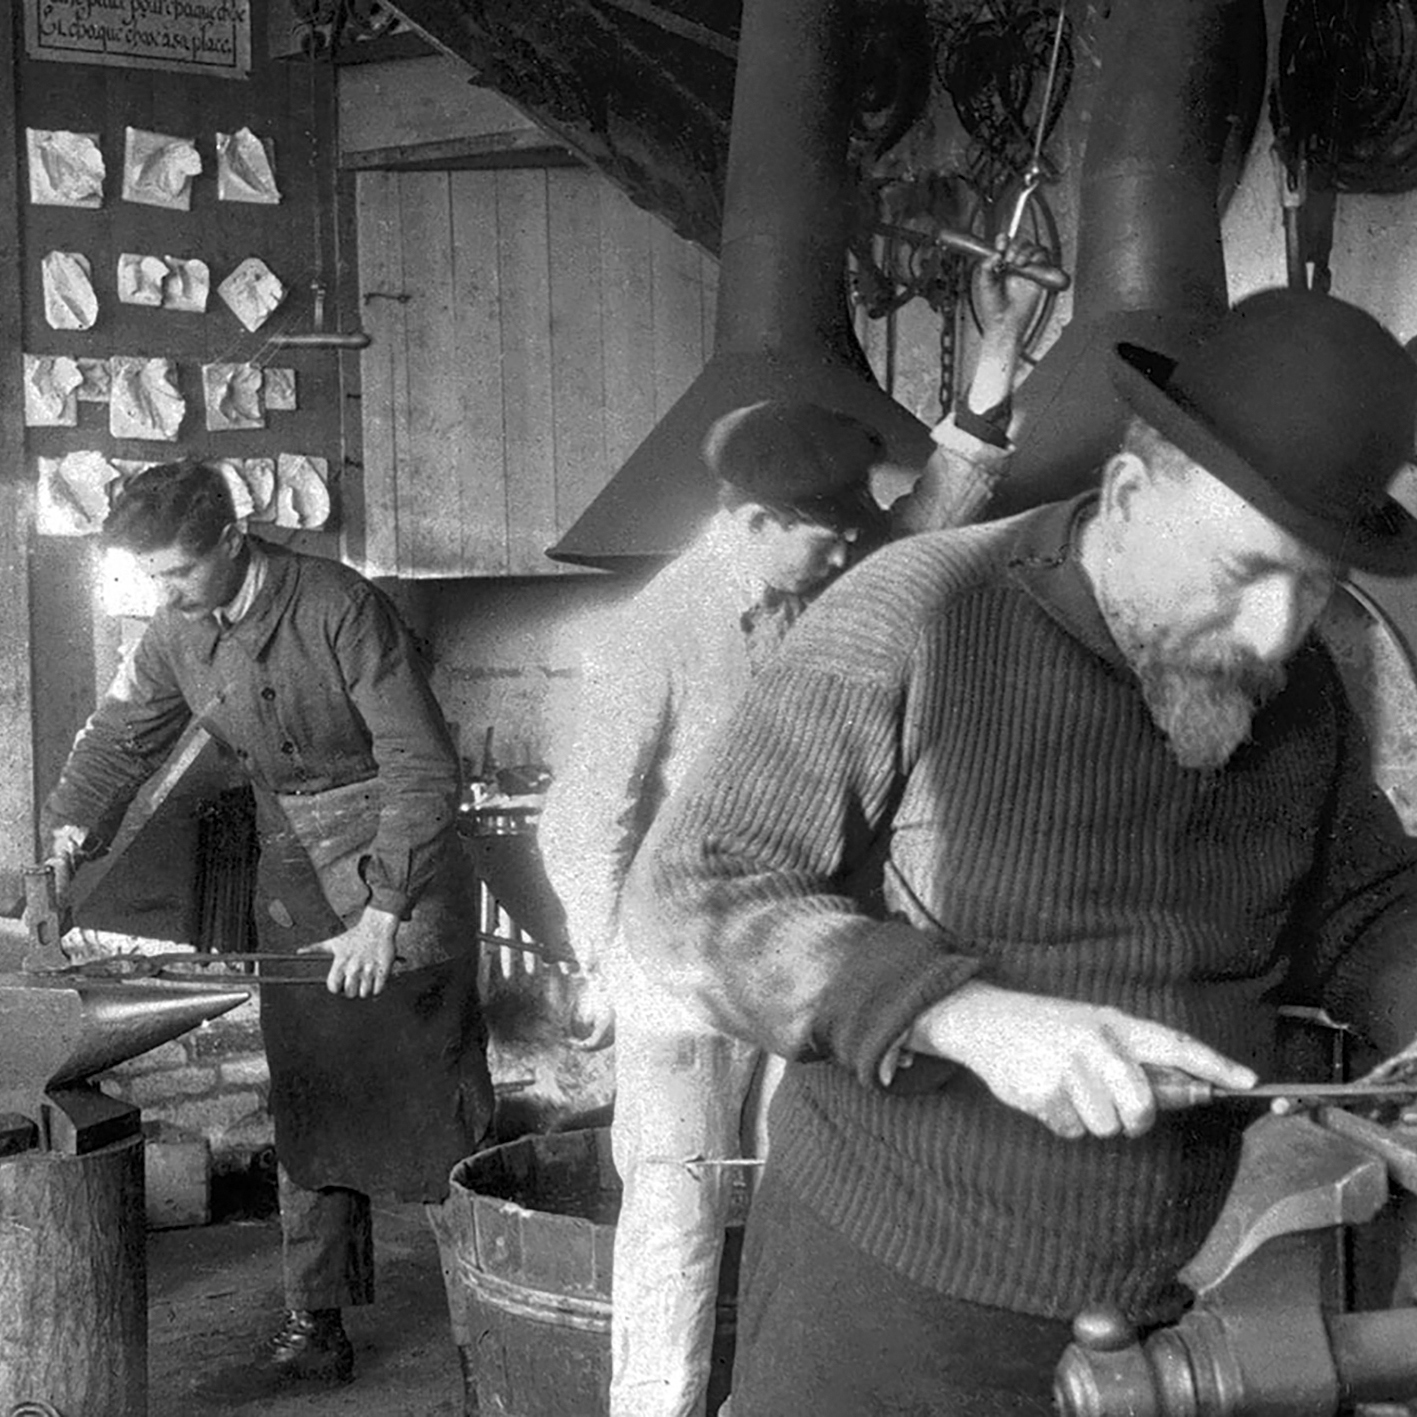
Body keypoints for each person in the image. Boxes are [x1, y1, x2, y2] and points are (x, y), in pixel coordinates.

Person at [624, 288, 1417, 1416]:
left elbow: (1366, 903)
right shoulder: (920, 609)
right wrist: (963, 1013)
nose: (1276, 633)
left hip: (1170, 1311)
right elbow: (690, 894)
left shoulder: (1303, 694)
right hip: (888, 1306)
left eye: (1320, 587)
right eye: (1246, 574)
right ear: (1133, 496)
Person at [538, 247, 1044, 1417]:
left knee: (802, 1191)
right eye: (825, 534)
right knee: (671, 1204)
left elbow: (924, 523)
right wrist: (602, 962)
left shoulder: (825, 579)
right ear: (757, 522)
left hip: (805, 943)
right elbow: (582, 819)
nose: (847, 548)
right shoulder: (649, 631)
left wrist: (991, 378)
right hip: (677, 960)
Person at [43, 459, 493, 1386]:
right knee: (310, 1093)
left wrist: (383, 911)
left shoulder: (337, 604)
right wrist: (60, 851)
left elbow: (422, 765)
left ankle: (488, 1326)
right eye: (151, 578)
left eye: (176, 572)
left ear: (231, 539)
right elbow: (118, 738)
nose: (164, 594)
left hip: (405, 853)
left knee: (432, 1096)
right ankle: (318, 1323)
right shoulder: (176, 632)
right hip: (291, 855)